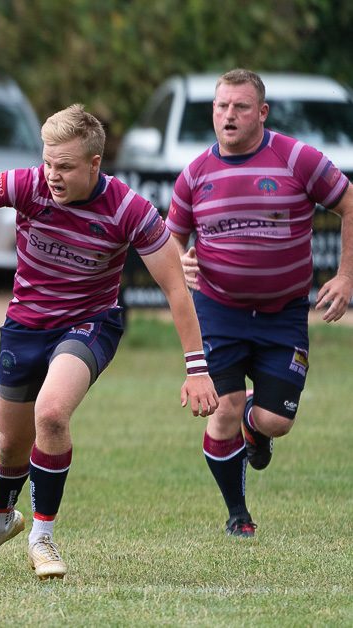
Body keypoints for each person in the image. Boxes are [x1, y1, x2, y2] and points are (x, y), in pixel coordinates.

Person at [0, 104, 218, 580]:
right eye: (48, 162)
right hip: (25, 326)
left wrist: (197, 368)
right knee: (11, 443)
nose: (52, 174)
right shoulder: (26, 184)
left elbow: (176, 289)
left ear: (95, 165)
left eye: (65, 166)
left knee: (50, 414)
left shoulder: (129, 210)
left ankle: (42, 539)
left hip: (90, 324)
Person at [166, 69, 353, 539]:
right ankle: (237, 514)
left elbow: (350, 202)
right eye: (221, 106)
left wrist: (347, 275)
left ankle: (257, 420)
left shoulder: (297, 159)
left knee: (275, 422)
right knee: (222, 410)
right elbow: (168, 242)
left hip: (283, 313)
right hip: (218, 311)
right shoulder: (193, 176)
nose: (229, 115)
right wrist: (180, 262)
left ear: (262, 113)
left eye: (241, 107)